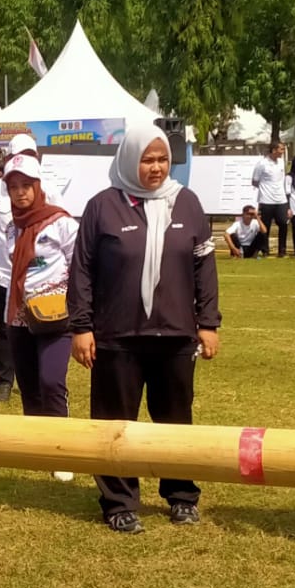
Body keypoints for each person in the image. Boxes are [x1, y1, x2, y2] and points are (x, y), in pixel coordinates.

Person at [68, 121, 221, 534]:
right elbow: (81, 270)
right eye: (147, 159)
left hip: (175, 334)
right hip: (117, 334)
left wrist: (208, 323)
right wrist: (81, 327)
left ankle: (181, 495)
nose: (156, 167)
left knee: (176, 420)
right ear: (129, 160)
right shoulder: (103, 206)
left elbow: (204, 269)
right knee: (114, 422)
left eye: (162, 159)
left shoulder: (187, 203)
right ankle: (118, 500)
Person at [0, 155, 79, 482]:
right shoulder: (10, 226)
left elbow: (79, 266)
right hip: (18, 317)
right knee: (30, 386)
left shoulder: (61, 222)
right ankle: (37, 448)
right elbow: (8, 269)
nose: (20, 193)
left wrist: (74, 305)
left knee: (51, 381)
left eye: (26, 186)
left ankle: (60, 450)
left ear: (38, 186)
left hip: (55, 317)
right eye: (13, 187)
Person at [0, 135, 43, 403]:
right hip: (3, 271)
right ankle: (5, 380)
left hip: (39, 273)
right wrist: (5, 250)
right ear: (7, 159)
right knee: (5, 326)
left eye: (30, 154)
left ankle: (36, 378)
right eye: (19, 155)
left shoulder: (46, 186)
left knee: (40, 322)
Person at [252, 141, 291, 257]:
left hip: (281, 199)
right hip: (266, 199)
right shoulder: (262, 164)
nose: (282, 152)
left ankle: (282, 251)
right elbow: (254, 181)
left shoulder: (281, 162)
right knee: (266, 226)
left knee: (283, 223)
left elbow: (282, 180)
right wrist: (266, 188)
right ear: (274, 150)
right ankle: (265, 250)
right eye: (281, 149)